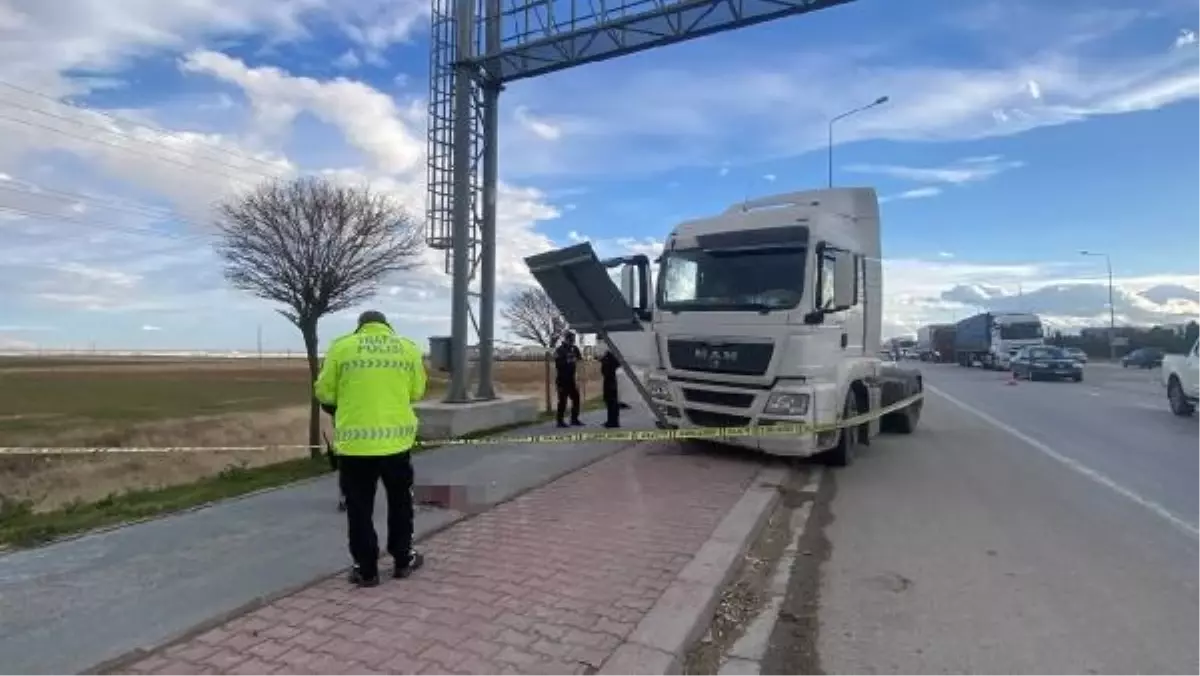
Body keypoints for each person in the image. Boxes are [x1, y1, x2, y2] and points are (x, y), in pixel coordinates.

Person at [314, 310, 427, 588]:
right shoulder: (408, 348)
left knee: (359, 509)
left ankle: (366, 570)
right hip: (396, 444)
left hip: (355, 447)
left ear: (360, 327)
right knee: (401, 503)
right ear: (387, 325)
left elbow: (325, 393)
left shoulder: (342, 347)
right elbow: (417, 392)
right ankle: (403, 559)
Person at [554, 330, 584, 428]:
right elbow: (558, 365)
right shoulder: (559, 350)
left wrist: (576, 357)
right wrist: (568, 360)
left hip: (571, 379)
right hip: (562, 379)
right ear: (566, 339)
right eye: (571, 339)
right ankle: (560, 421)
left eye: (573, 339)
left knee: (576, 398)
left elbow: (579, 359)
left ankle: (574, 419)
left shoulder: (574, 348)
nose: (573, 341)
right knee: (562, 401)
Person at [599, 344, 621, 428]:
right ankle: (611, 421)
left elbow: (608, 368)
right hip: (610, 381)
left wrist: (603, 359)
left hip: (611, 381)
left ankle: (613, 422)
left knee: (612, 402)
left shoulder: (611, 357)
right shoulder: (611, 356)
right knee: (610, 402)